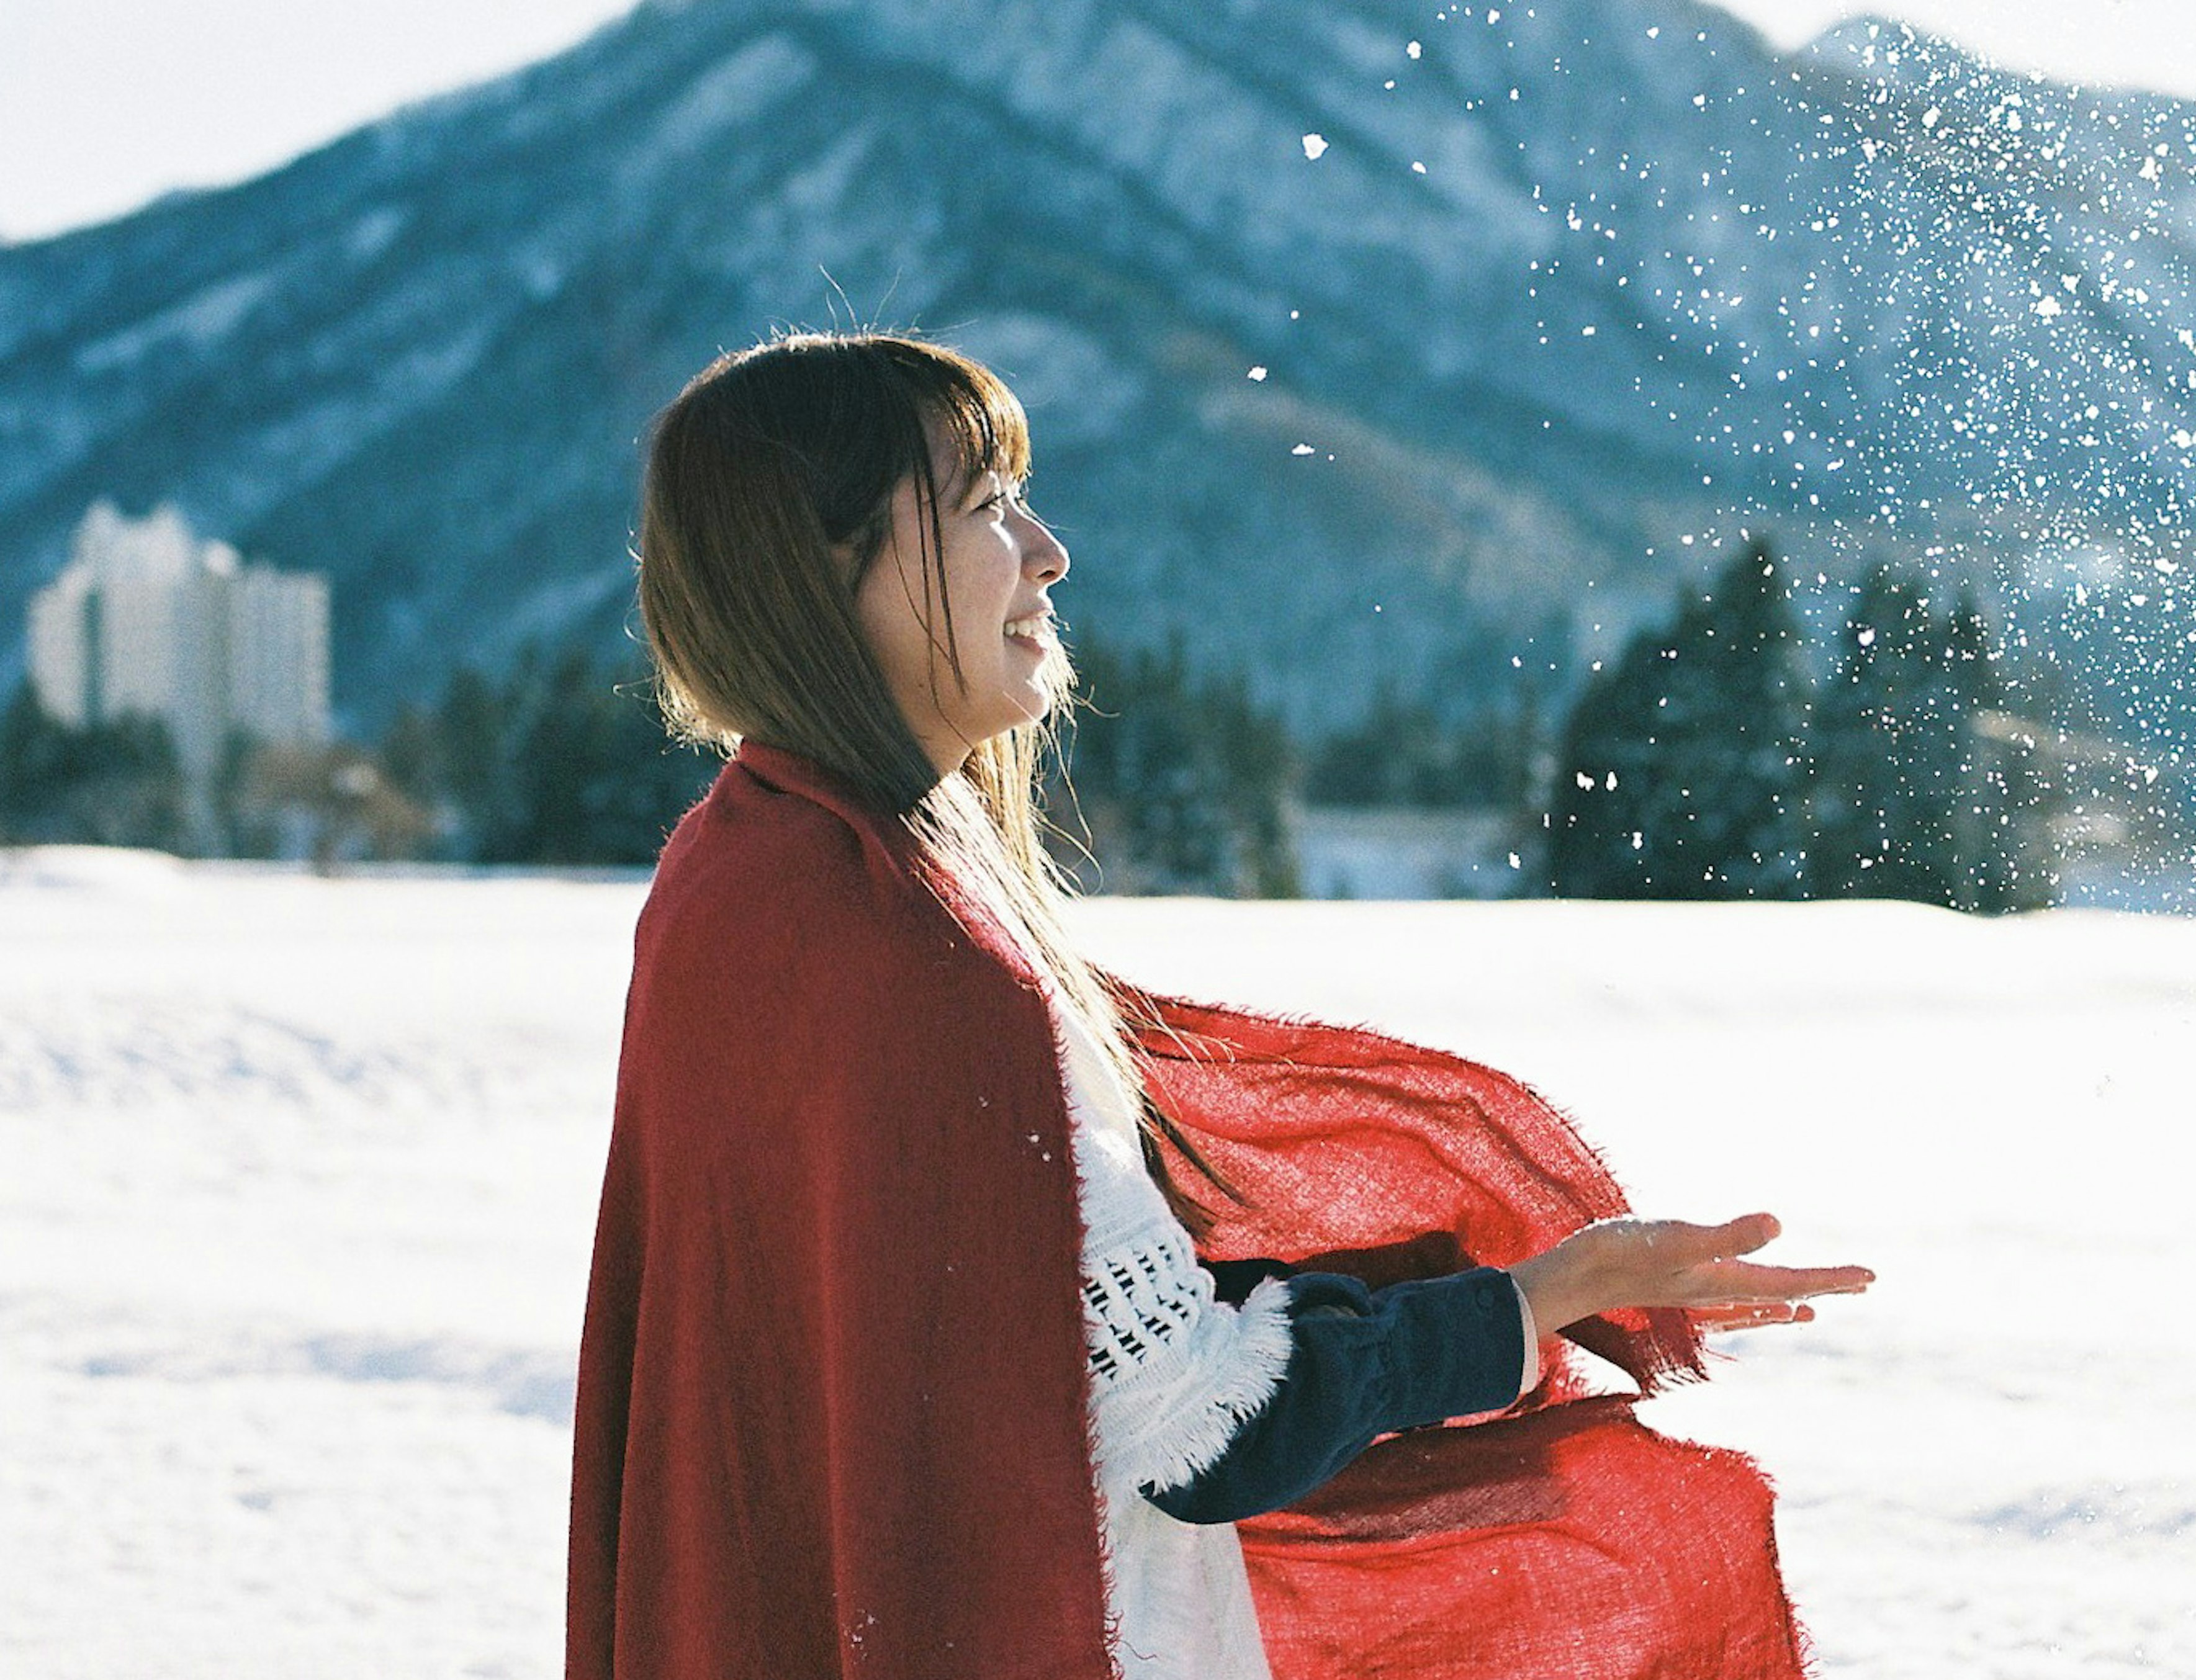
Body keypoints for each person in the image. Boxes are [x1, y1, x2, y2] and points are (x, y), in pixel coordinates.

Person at [566, 331, 1874, 1680]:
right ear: (827, 574)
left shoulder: (741, 874)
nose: (1046, 549)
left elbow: (1000, 1338)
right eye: (982, 506)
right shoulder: (905, 953)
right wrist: (1549, 1293)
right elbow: (1200, 1425)